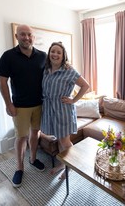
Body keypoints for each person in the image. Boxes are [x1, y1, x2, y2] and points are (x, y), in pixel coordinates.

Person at [0, 24, 47, 188]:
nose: (26, 37)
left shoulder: (43, 56)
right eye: (22, 34)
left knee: (35, 133)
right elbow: (2, 81)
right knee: (21, 137)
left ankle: (32, 159)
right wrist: (8, 104)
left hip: (39, 103)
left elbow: (54, 72)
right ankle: (19, 168)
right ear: (17, 37)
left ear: (34, 37)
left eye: (29, 34)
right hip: (20, 106)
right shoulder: (8, 56)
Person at [39, 42, 89, 179]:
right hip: (49, 109)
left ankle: (69, 167)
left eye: (58, 52)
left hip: (63, 110)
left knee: (65, 141)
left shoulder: (69, 70)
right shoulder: (46, 69)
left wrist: (73, 100)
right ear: (49, 53)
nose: (55, 54)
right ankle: (63, 164)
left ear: (63, 56)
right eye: (52, 51)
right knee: (60, 140)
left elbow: (86, 86)